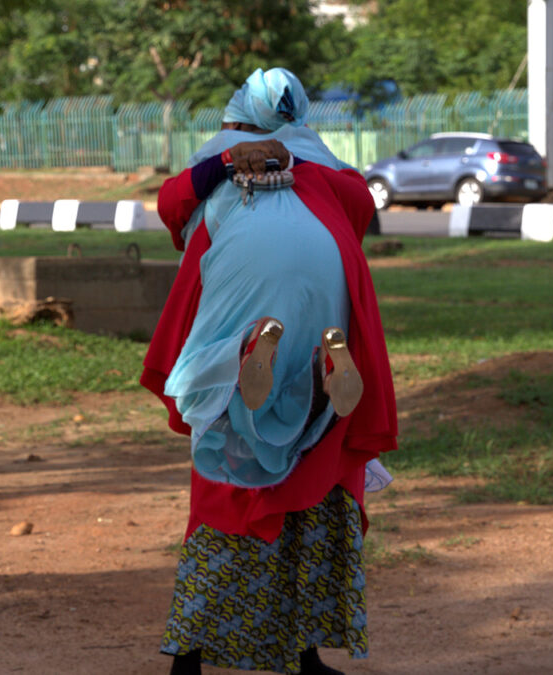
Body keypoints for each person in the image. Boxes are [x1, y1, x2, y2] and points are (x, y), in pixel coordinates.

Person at [141, 67, 398, 675]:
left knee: (229, 475)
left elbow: (171, 206)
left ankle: (189, 660)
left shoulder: (221, 165)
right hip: (326, 307)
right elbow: (361, 207)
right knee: (310, 468)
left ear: (235, 121)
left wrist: (227, 163)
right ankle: (315, 365)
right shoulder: (322, 176)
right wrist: (305, 167)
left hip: (239, 315)